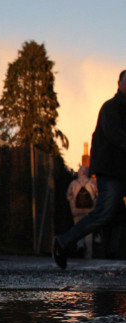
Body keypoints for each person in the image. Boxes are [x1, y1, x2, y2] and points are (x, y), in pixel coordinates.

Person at [54, 70, 126, 268]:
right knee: (104, 212)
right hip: (111, 171)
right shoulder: (110, 108)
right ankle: (63, 241)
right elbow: (116, 135)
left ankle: (112, 252)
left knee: (114, 216)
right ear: (118, 83)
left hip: (121, 171)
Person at [66, 165, 98, 258]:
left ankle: (80, 245)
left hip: (76, 211)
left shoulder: (73, 183)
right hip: (89, 211)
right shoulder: (92, 183)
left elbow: (68, 196)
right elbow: (98, 196)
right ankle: (88, 254)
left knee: (78, 229)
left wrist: (73, 205)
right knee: (88, 232)